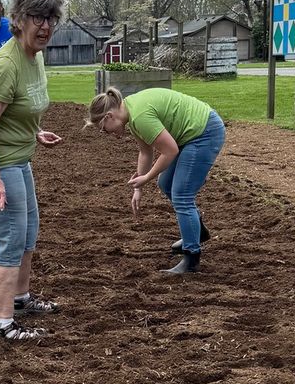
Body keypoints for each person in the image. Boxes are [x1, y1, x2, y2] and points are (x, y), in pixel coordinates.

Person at [0, 0, 64, 342]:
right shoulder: (6, 64)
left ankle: (20, 299)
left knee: (29, 232)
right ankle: (2, 323)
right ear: (18, 20)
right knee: (10, 239)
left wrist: (34, 132)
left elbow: (24, 106)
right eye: (38, 17)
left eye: (51, 18)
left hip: (19, 158)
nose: (46, 26)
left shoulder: (34, 56)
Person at [84, 85, 226, 275]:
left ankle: (192, 257)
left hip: (204, 133)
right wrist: (138, 188)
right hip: (190, 134)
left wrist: (146, 177)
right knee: (165, 183)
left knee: (182, 195)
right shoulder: (132, 115)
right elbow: (146, 152)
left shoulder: (140, 116)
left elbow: (170, 151)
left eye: (103, 129)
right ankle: (197, 231)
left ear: (109, 117)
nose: (106, 133)